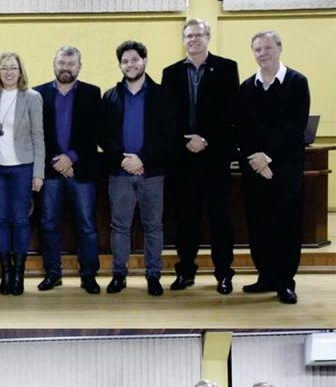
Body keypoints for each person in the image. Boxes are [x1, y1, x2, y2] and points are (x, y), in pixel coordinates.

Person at [161, 19, 240, 295]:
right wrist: (187, 140)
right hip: (183, 160)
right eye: (189, 36)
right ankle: (185, 271)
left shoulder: (227, 68)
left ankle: (223, 274)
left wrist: (205, 139)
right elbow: (167, 117)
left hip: (214, 157)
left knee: (220, 218)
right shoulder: (170, 73)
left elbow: (230, 114)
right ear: (183, 40)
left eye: (198, 35)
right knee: (186, 219)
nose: (193, 40)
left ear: (208, 37)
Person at [237, 31, 310, 305]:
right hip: (255, 169)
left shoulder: (297, 82)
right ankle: (265, 277)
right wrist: (255, 158)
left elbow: (296, 127)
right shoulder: (246, 87)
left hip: (285, 169)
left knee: (287, 226)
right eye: (257, 49)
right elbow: (241, 129)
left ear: (279, 48)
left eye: (267, 48)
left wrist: (268, 157)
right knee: (259, 225)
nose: (262, 53)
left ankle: (285, 282)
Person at [100, 40, 175, 296]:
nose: (130, 65)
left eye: (134, 60)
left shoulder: (162, 94)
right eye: (125, 61)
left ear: (144, 61)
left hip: (151, 172)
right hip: (119, 173)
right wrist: (123, 159)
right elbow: (103, 136)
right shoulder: (110, 96)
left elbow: (168, 134)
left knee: (153, 226)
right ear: (120, 65)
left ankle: (153, 275)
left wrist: (141, 159)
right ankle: (119, 275)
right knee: (119, 226)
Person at [34, 46, 102, 294]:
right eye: (62, 62)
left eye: (71, 64)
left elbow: (94, 132)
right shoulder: (38, 94)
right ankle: (53, 273)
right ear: (54, 64)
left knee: (86, 224)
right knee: (49, 223)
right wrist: (57, 160)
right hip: (51, 171)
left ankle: (89, 275)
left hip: (81, 170)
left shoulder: (92, 93)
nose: (66, 67)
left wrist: (70, 158)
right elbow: (37, 133)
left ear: (79, 67)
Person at [0, 51, 44, 295]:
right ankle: (6, 272)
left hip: (23, 167)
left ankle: (19, 273)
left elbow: (38, 136)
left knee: (20, 220)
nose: (8, 72)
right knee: (0, 220)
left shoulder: (32, 97)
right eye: (4, 68)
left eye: (13, 68)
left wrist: (39, 172)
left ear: (20, 71)